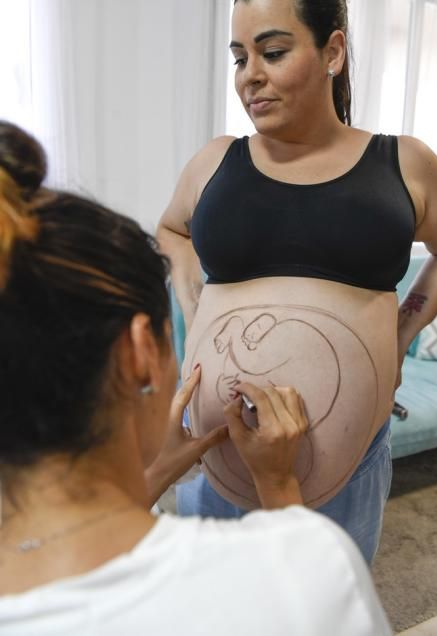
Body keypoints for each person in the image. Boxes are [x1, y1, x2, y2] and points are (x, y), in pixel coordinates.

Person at [0, 120, 393, 635]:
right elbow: (304, 583)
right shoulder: (308, 575)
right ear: (142, 352)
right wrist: (277, 485)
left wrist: (157, 471)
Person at [156, 0, 437, 564]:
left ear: (333, 52)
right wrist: (196, 308)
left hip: (344, 468)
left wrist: (401, 332)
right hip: (214, 453)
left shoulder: (402, 162)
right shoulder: (215, 162)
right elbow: (172, 230)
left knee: (324, 609)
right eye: (240, 57)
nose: (251, 77)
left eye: (272, 51)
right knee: (211, 610)